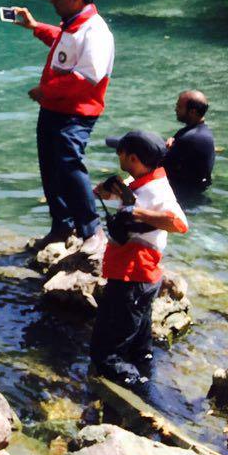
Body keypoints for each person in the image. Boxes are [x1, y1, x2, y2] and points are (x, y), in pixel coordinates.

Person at [10, 0, 115, 247]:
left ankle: (92, 231)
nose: (53, 3)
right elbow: (62, 43)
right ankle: (62, 226)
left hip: (76, 112)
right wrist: (35, 27)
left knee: (70, 166)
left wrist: (46, 90)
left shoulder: (96, 31)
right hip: (54, 109)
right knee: (51, 167)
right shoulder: (74, 25)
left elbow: (87, 77)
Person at [90, 130, 189, 386]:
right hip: (139, 276)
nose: (117, 155)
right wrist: (111, 192)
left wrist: (138, 213)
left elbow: (179, 223)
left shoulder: (157, 192)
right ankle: (144, 372)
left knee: (106, 351)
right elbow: (133, 198)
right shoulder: (145, 178)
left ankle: (131, 391)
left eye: (120, 152)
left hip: (132, 276)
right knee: (138, 343)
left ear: (132, 158)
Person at [164, 90, 214, 199]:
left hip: (183, 195)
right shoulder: (201, 132)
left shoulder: (191, 138)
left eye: (179, 107)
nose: (175, 109)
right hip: (195, 189)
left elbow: (160, 165)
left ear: (192, 112)